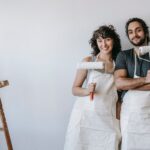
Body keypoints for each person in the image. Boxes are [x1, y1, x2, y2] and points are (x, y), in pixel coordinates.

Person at [64, 25, 121, 150]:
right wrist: (86, 90)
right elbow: (74, 89)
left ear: (114, 41)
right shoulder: (88, 61)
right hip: (85, 117)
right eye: (100, 40)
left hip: (108, 117)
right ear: (95, 43)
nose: (104, 44)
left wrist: (118, 119)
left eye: (107, 39)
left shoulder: (119, 63)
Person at [115, 17, 150, 150]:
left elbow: (125, 83)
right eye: (130, 32)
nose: (134, 35)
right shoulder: (123, 56)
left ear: (145, 31)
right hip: (130, 114)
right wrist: (144, 80)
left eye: (138, 30)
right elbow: (119, 84)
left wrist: (131, 84)